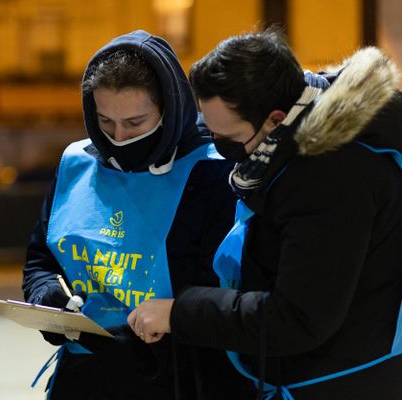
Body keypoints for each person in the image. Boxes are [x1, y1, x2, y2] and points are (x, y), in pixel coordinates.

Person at [128, 29, 402, 400]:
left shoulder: (330, 173)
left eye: (231, 137)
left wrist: (180, 313)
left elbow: (297, 318)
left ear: (274, 120)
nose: (222, 148)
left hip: (341, 382)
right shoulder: (296, 138)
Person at [22, 30, 255, 400]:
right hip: (84, 377)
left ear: (170, 108)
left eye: (135, 123)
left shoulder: (212, 170)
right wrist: (45, 295)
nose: (118, 137)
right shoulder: (76, 163)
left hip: (176, 378)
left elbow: (222, 295)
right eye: (105, 122)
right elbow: (41, 258)